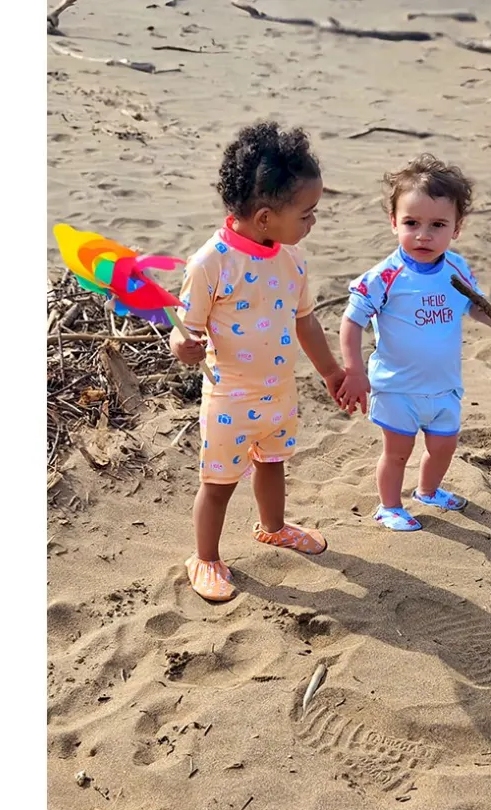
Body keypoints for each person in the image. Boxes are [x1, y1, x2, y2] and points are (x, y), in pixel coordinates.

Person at [169, 121, 350, 600]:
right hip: (229, 396)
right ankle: (205, 558)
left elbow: (305, 321)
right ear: (266, 217)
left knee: (273, 463)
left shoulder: (292, 259)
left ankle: (273, 527)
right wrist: (184, 346)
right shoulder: (210, 262)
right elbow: (184, 328)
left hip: (278, 390)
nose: (313, 222)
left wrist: (331, 371)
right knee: (218, 482)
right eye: (306, 214)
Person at [337, 154, 491, 531]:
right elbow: (352, 320)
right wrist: (353, 370)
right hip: (397, 386)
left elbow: (474, 305)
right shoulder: (385, 276)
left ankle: (428, 491)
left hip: (443, 385)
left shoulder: (456, 268)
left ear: (457, 228)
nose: (423, 235)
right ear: (394, 222)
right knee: (397, 451)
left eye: (438, 225)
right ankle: (389, 506)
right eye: (411, 223)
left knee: (443, 446)